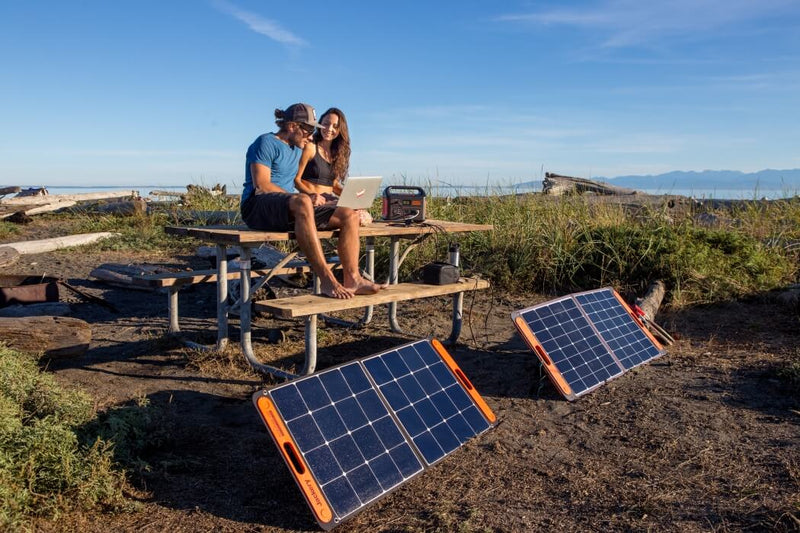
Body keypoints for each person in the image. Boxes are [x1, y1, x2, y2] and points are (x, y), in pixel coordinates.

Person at [240, 103, 384, 299]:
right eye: (308, 129)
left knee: (348, 214)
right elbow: (262, 185)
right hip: (256, 207)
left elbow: (316, 178)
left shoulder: (298, 148)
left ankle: (353, 279)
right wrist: (305, 197)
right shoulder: (266, 142)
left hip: (286, 209)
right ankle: (326, 279)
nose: (311, 135)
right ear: (292, 126)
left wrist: (337, 197)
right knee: (303, 201)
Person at [294, 107, 349, 203]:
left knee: (362, 215)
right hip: (312, 202)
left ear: (340, 130)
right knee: (349, 215)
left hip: (330, 202)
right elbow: (296, 179)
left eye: (335, 126)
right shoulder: (310, 147)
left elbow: (334, 186)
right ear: (320, 124)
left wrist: (352, 196)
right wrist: (312, 195)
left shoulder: (337, 154)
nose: (329, 129)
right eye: (326, 124)